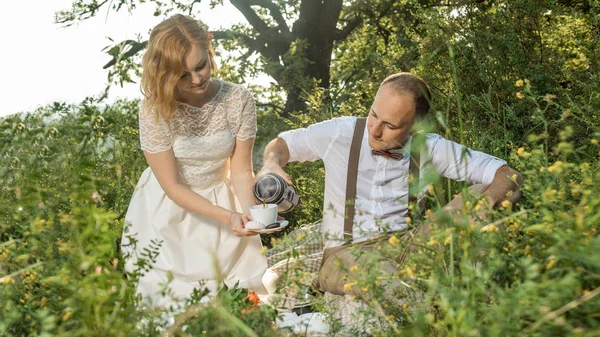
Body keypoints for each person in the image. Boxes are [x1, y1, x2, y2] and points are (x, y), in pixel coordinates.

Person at [258, 72, 523, 298]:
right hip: (346, 253)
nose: (374, 130)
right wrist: (271, 165)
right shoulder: (340, 133)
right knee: (382, 280)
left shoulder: (430, 147)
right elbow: (282, 145)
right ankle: (424, 304)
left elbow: (508, 175)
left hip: (409, 246)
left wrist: (483, 207)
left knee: (482, 193)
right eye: (374, 115)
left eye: (390, 125)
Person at [121, 14, 268, 308]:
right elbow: (173, 187)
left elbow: (240, 171)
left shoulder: (238, 99)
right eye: (183, 75)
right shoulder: (154, 109)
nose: (197, 79)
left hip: (224, 201)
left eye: (201, 66)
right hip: (169, 211)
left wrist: (253, 216)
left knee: (243, 303)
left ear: (209, 51)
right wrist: (227, 217)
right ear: (164, 73)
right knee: (174, 309)